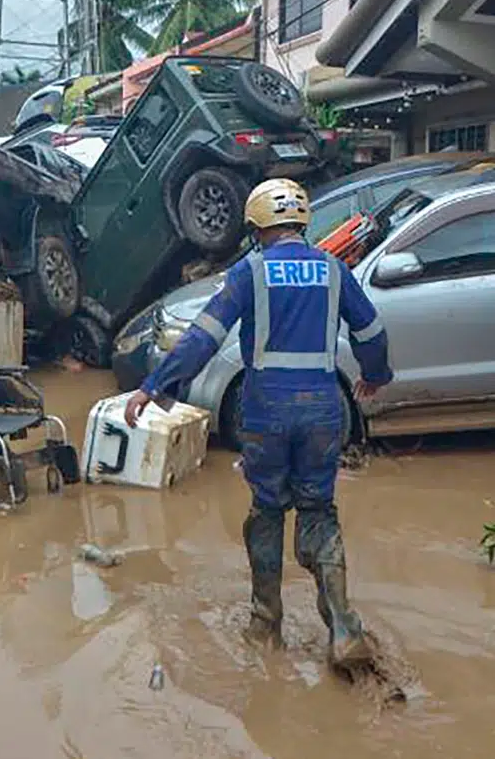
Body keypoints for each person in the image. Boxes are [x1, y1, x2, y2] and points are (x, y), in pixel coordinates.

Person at [123, 178, 393, 669]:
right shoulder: (334, 270)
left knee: (267, 511)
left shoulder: (249, 272)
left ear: (257, 226)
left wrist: (156, 386)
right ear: (301, 222)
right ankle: (344, 629)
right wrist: (375, 376)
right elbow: (371, 330)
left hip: (267, 411)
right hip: (323, 409)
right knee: (319, 511)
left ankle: (265, 625)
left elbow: (203, 337)